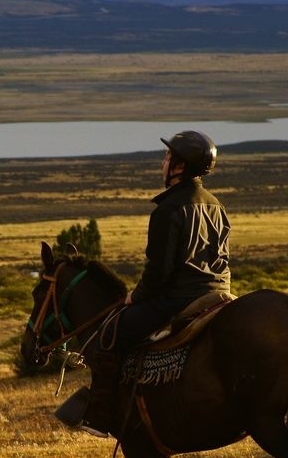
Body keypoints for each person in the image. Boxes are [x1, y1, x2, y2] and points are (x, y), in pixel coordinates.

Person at [60, 130, 231, 438]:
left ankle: (100, 415)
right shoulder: (215, 204)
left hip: (181, 297)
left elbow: (160, 271)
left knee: (111, 333)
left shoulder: (168, 210)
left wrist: (135, 297)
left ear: (179, 168)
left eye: (168, 157)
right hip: (219, 292)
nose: (162, 162)